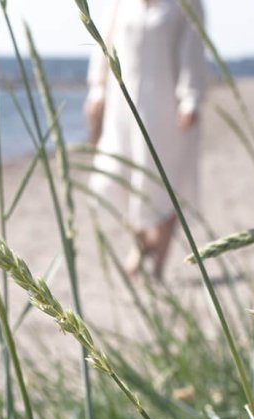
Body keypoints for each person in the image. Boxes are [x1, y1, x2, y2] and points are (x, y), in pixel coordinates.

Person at [85, 0, 207, 280]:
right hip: (122, 107)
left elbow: (193, 49)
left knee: (162, 182)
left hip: (164, 109)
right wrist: (97, 91)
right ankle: (141, 243)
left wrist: (191, 98)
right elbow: (104, 44)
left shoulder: (186, 4)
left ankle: (158, 263)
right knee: (114, 176)